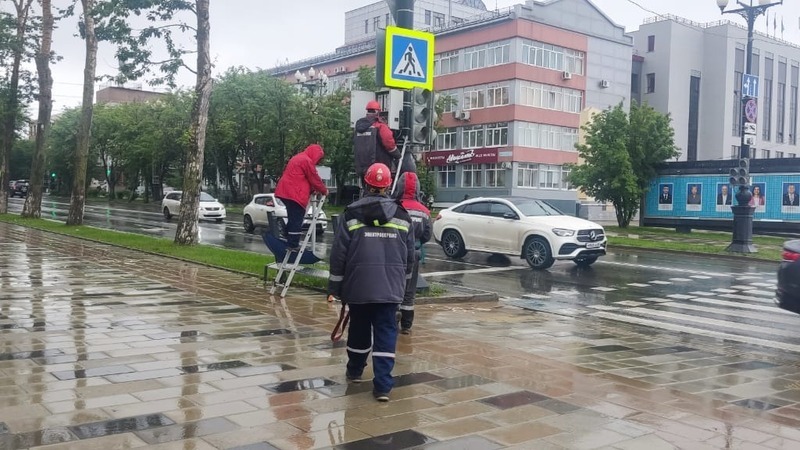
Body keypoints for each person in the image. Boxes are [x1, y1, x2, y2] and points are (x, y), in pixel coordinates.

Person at [328, 163, 415, 403]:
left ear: (365, 184)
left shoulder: (350, 214)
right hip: (390, 289)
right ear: (388, 185)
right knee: (386, 333)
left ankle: (355, 371)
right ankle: (383, 386)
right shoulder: (402, 216)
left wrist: (335, 287)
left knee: (359, 328)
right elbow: (410, 258)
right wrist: (404, 286)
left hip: (358, 287)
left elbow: (339, 255)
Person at [392, 171, 432, 335]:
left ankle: (393, 318)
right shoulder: (424, 212)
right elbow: (427, 235)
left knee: (395, 286)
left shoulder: (394, 207)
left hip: (395, 254)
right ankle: (406, 325)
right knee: (409, 290)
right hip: (414, 255)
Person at [274, 144, 328, 250]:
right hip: (295, 194)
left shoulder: (298, 158)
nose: (318, 161)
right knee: (297, 218)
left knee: (292, 216)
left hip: (285, 191)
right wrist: (324, 190)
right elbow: (313, 177)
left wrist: (312, 190)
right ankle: (293, 244)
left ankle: (286, 235)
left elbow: (301, 178)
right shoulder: (307, 161)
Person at [354, 101, 400, 186]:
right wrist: (397, 155)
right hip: (379, 168)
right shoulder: (380, 126)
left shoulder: (358, 126)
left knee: (366, 188)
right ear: (378, 112)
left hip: (362, 167)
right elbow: (389, 143)